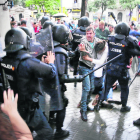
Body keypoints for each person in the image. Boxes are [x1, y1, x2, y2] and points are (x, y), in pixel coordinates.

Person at [1, 28, 56, 140]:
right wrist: (51, 63)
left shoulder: (4, 60)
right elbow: (51, 73)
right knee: (47, 134)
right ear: (24, 42)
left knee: (24, 132)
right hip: (30, 107)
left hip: (15, 106)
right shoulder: (27, 62)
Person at [97, 22, 140, 112]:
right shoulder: (129, 41)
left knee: (106, 87)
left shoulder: (110, 38)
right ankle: (124, 107)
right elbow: (137, 51)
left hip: (111, 68)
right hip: (122, 70)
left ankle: (99, 103)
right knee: (124, 88)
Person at [78, 26, 102, 121]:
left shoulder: (97, 40)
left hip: (92, 67)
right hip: (84, 66)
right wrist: (83, 51)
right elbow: (84, 56)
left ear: (93, 33)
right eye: (87, 33)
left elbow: (103, 44)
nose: (88, 35)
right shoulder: (83, 42)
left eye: (90, 33)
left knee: (92, 88)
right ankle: (83, 110)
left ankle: (85, 104)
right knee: (86, 88)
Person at [70, 16, 90, 87]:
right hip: (84, 54)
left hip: (75, 54)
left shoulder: (74, 31)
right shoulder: (88, 33)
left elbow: (70, 41)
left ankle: (75, 81)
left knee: (75, 68)